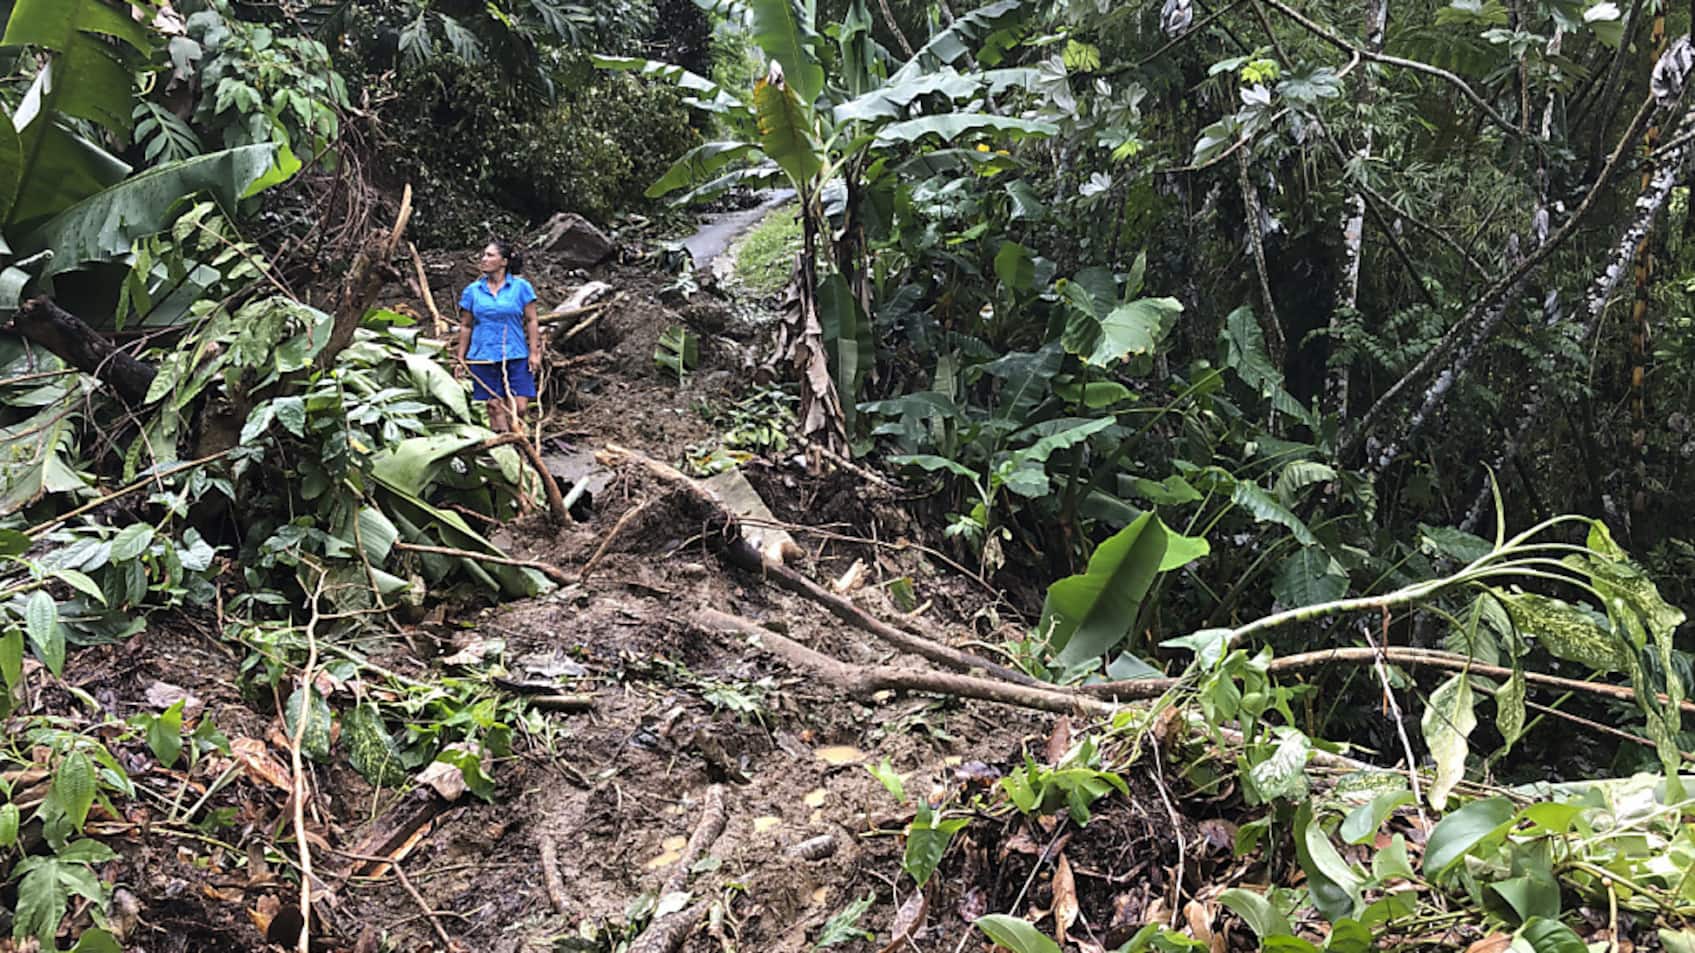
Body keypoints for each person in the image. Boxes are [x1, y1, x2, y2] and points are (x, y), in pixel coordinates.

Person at [454, 239, 541, 433]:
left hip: (516, 354)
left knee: (519, 407)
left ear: (504, 262)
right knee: (494, 406)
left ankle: (516, 437)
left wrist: (534, 353)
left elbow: (532, 320)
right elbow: (466, 326)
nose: (483, 259)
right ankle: (503, 444)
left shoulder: (521, 287)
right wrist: (461, 357)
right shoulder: (473, 291)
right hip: (483, 355)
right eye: (484, 255)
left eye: (490, 255)